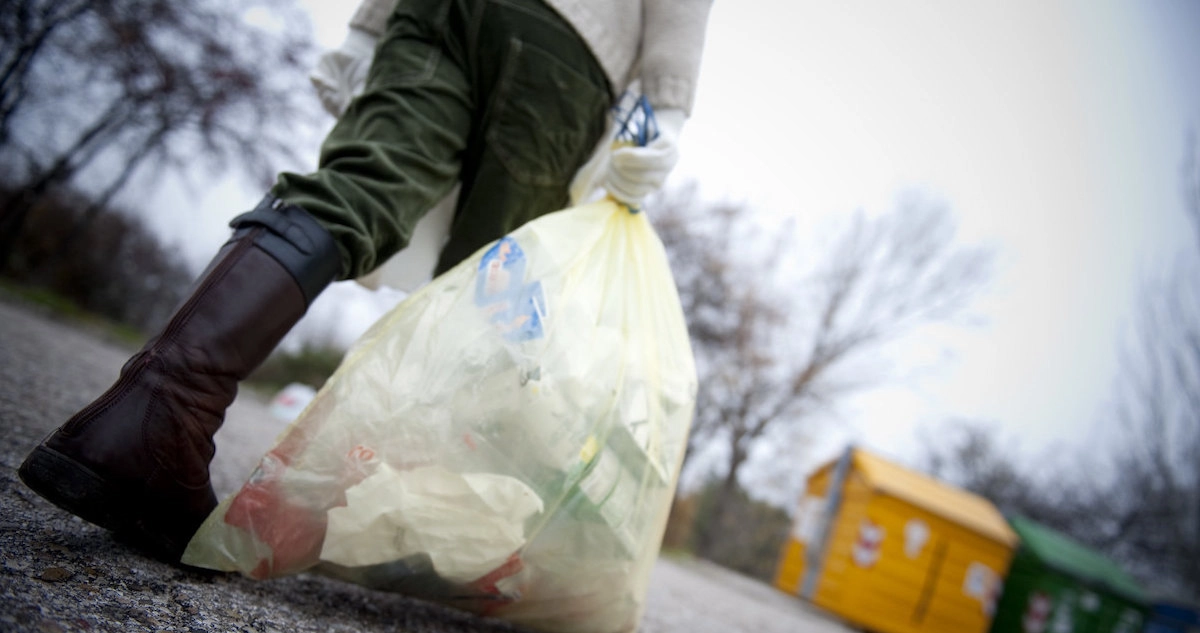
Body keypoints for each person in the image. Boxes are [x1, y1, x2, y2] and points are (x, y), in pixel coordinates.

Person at [18, 0, 712, 563]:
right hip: (568, 36)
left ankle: (159, 409)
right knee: (495, 281)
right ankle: (404, 524)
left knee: (358, 184)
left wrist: (368, 25)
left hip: (435, 11)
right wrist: (669, 101)